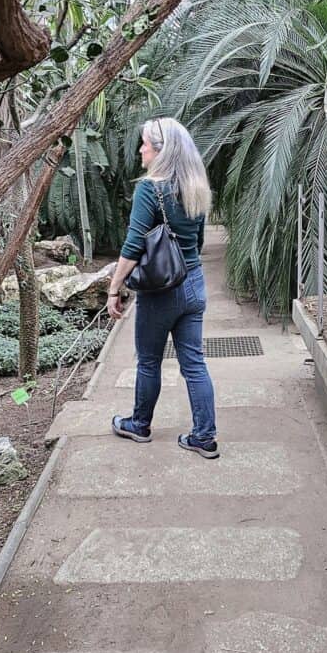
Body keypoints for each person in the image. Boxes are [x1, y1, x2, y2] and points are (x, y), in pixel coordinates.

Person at [107, 117, 219, 459]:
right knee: (195, 364)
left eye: (145, 144)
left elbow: (134, 244)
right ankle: (205, 436)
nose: (140, 149)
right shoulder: (195, 186)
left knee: (149, 361)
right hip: (195, 284)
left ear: (161, 151)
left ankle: (139, 425)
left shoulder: (150, 188)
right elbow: (196, 243)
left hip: (161, 293)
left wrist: (115, 287)